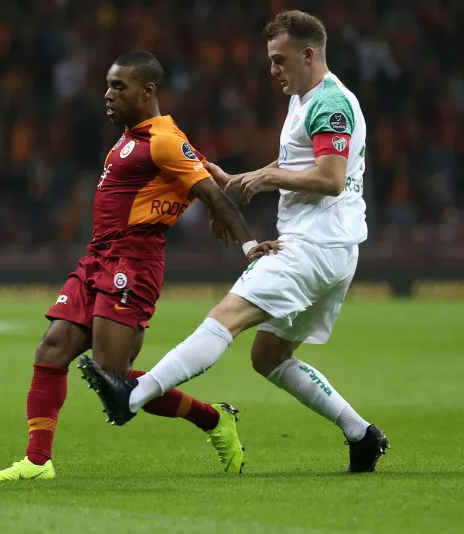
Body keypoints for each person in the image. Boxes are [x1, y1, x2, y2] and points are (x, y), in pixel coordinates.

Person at [78, 11, 391, 473]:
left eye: (280, 60)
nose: (273, 69)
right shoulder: (305, 99)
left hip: (313, 247)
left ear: (309, 54)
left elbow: (330, 178)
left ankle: (133, 395)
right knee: (268, 357)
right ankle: (361, 434)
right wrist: (234, 177)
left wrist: (264, 179)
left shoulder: (330, 103)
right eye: (270, 60)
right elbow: (300, 163)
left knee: (225, 317)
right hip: (334, 250)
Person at [0, 51, 280, 481]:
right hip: (97, 258)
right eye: (107, 85)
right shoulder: (130, 139)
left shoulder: (164, 139)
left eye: (118, 87)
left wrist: (250, 246)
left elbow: (214, 193)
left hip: (133, 261)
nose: (108, 95)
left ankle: (214, 419)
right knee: (52, 349)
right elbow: (209, 178)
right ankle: (37, 462)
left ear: (147, 91)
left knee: (113, 377)